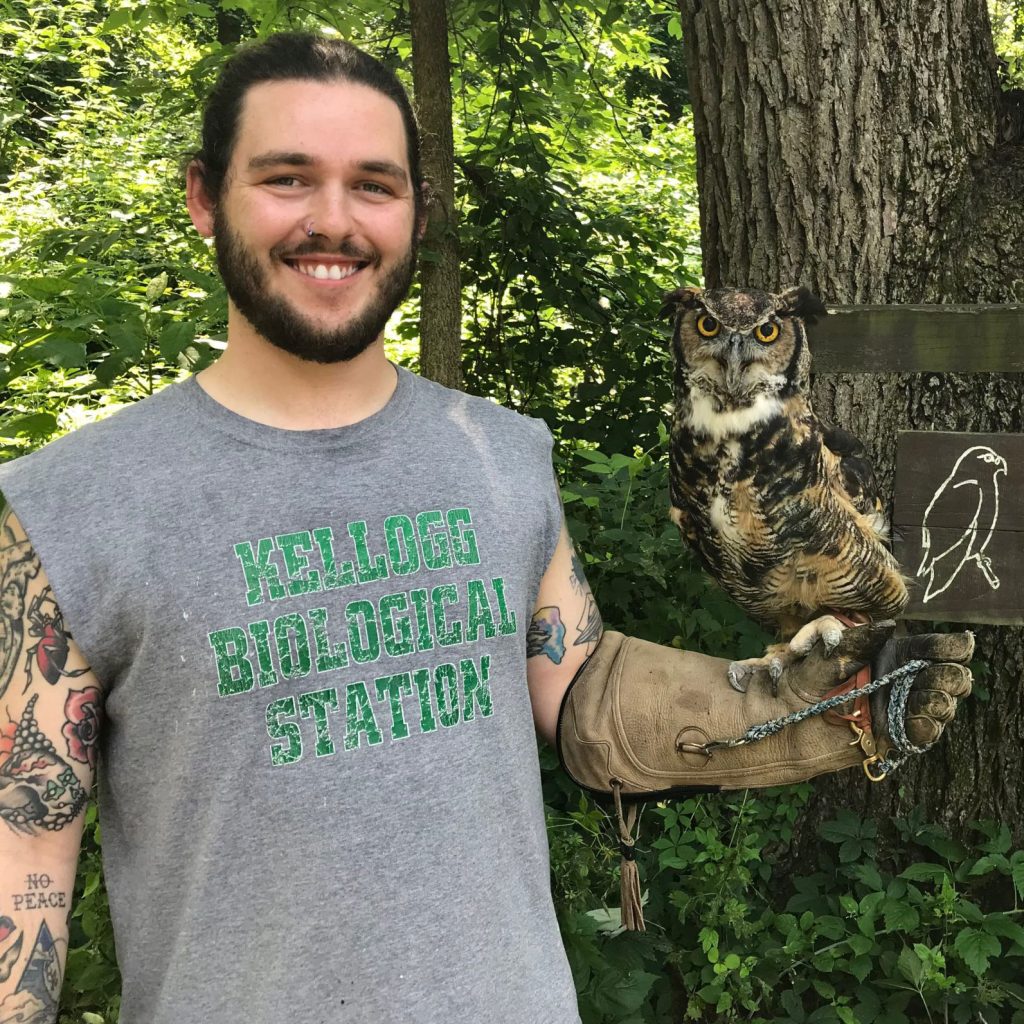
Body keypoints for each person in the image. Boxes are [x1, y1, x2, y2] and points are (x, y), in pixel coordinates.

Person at [0, 32, 973, 1024]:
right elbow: (19, 852)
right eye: (288, 178)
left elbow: (584, 695)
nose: (333, 219)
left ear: (417, 210)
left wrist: (815, 699)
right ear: (206, 197)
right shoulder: (65, 508)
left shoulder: (500, 455)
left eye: (374, 184)